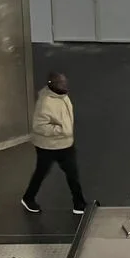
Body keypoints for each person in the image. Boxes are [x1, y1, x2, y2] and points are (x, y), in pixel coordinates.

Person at [22, 72, 87, 215]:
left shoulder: (63, 96)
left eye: (65, 82)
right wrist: (61, 129)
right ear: (52, 84)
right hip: (48, 147)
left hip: (65, 144)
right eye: (61, 83)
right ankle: (28, 198)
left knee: (72, 174)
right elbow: (38, 126)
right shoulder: (45, 103)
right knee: (41, 173)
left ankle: (79, 204)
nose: (65, 85)